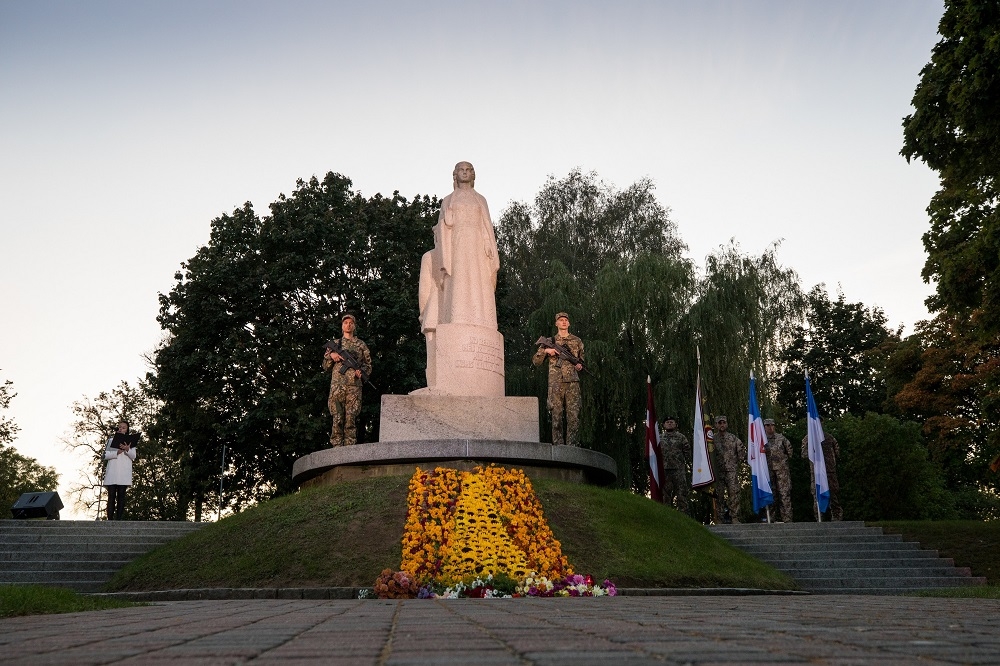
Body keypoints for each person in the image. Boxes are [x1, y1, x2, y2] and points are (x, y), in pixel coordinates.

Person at [419, 161, 500, 331]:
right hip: (456, 244)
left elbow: (486, 225)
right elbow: (441, 226)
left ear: (473, 174)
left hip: (477, 243)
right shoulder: (448, 200)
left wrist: (487, 243)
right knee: (458, 279)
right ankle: (457, 315)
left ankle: (480, 315)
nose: (465, 173)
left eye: (468, 170)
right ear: (455, 174)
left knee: (478, 278)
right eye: (461, 170)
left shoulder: (480, 199)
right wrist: (446, 223)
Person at [532, 312, 584, 446]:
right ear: (556, 323)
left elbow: (581, 361)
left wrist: (579, 366)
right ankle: (558, 448)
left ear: (569, 323)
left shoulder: (577, 341)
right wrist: (545, 351)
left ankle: (572, 448)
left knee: (573, 418)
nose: (564, 322)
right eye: (561, 320)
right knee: (556, 416)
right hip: (555, 383)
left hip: (572, 383)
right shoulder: (550, 341)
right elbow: (536, 362)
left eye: (566, 320)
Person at [322, 313, 373, 447]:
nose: (348, 325)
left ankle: (349, 448)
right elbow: (325, 367)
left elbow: (368, 365)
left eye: (351, 323)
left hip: (354, 388)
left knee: (351, 419)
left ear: (354, 326)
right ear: (342, 326)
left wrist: (361, 373)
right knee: (337, 418)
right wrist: (331, 356)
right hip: (337, 387)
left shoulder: (361, 345)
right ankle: (336, 447)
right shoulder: (336, 344)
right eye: (345, 323)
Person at [801, 426, 843, 521]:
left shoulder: (829, 437)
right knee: (817, 494)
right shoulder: (808, 438)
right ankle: (819, 517)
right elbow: (804, 454)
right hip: (816, 472)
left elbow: (837, 452)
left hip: (829, 471)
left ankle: (837, 516)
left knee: (833, 494)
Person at [713, 415, 746, 523]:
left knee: (734, 494)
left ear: (726, 424)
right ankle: (719, 518)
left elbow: (742, 454)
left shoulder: (734, 438)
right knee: (719, 495)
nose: (722, 425)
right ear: (716, 425)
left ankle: (734, 517)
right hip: (718, 472)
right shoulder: (712, 440)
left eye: (724, 423)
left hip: (731, 471)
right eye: (719, 423)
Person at [103, 420, 137, 521]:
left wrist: (127, 449)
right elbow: (105, 455)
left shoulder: (131, 442)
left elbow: (134, 456)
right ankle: (109, 519)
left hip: (124, 472)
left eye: (124, 427)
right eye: (120, 427)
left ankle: (119, 520)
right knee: (111, 496)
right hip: (113, 471)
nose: (121, 429)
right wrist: (116, 452)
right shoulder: (111, 440)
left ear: (127, 430)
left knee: (121, 496)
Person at [763, 418, 793, 523]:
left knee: (784, 495)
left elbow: (790, 452)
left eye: (772, 425)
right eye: (768, 425)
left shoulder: (781, 438)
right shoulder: (762, 440)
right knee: (771, 495)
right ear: (764, 427)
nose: (770, 427)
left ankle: (787, 519)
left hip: (782, 472)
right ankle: (770, 519)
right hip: (768, 472)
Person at [660, 416, 691, 514]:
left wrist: (687, 463)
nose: (669, 423)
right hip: (665, 470)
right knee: (665, 494)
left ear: (675, 424)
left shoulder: (681, 437)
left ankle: (684, 515)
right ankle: (667, 515)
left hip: (678, 470)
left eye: (672, 422)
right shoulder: (659, 438)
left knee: (682, 493)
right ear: (664, 425)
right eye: (667, 422)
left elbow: (687, 452)